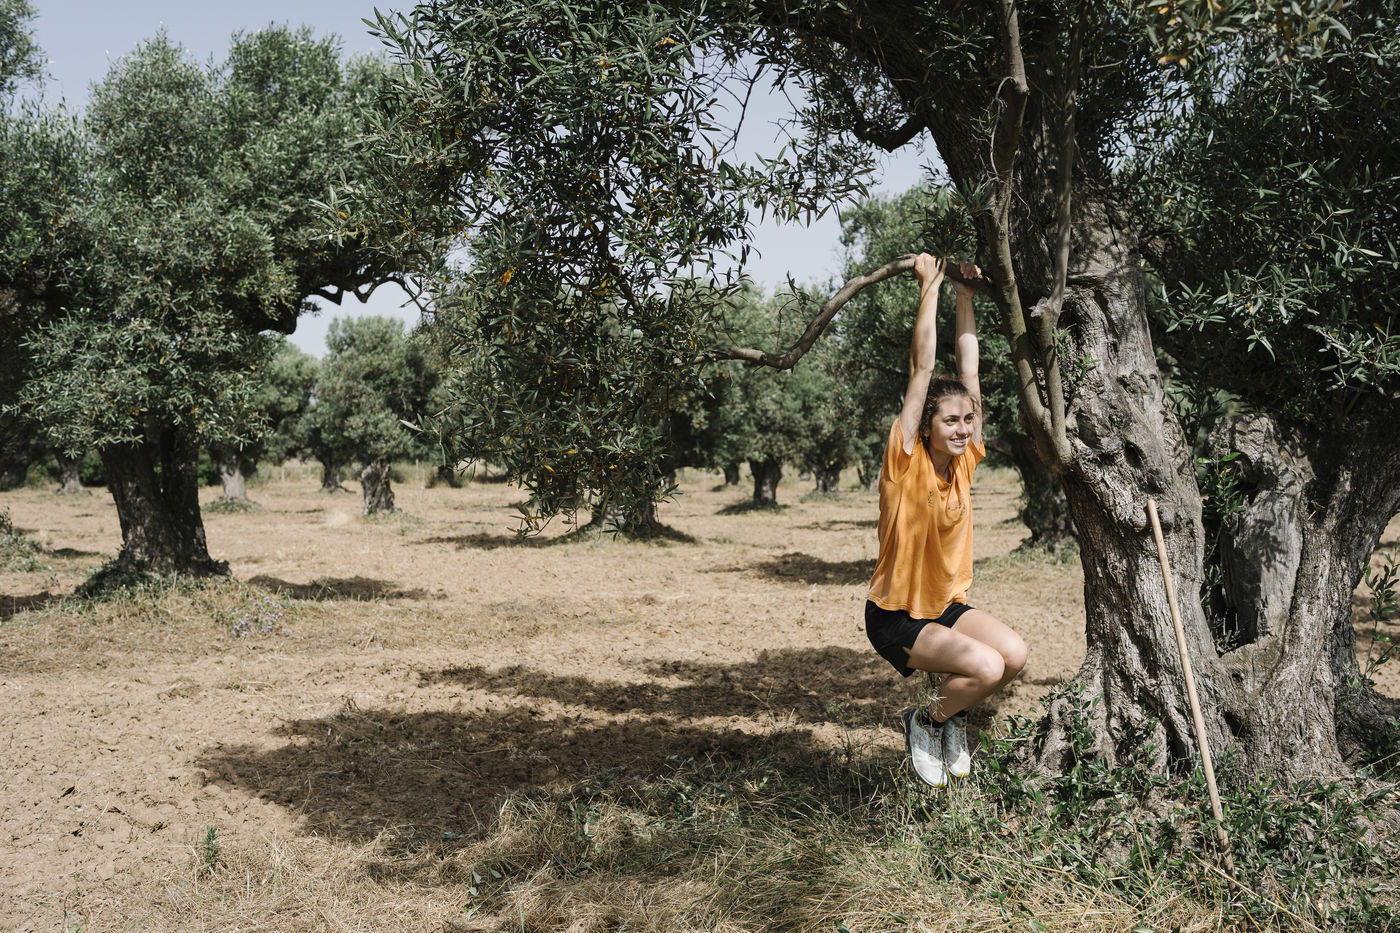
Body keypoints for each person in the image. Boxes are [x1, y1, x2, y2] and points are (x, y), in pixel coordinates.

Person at [865, 253, 1027, 787]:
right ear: (926, 427)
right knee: (986, 667)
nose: (962, 428)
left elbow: (970, 371)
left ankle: (950, 714)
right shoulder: (903, 462)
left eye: (967, 420)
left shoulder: (965, 463)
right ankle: (927, 720)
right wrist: (930, 286)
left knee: (1013, 656)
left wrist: (965, 297)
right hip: (896, 616)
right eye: (950, 420)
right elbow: (922, 371)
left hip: (945, 607)